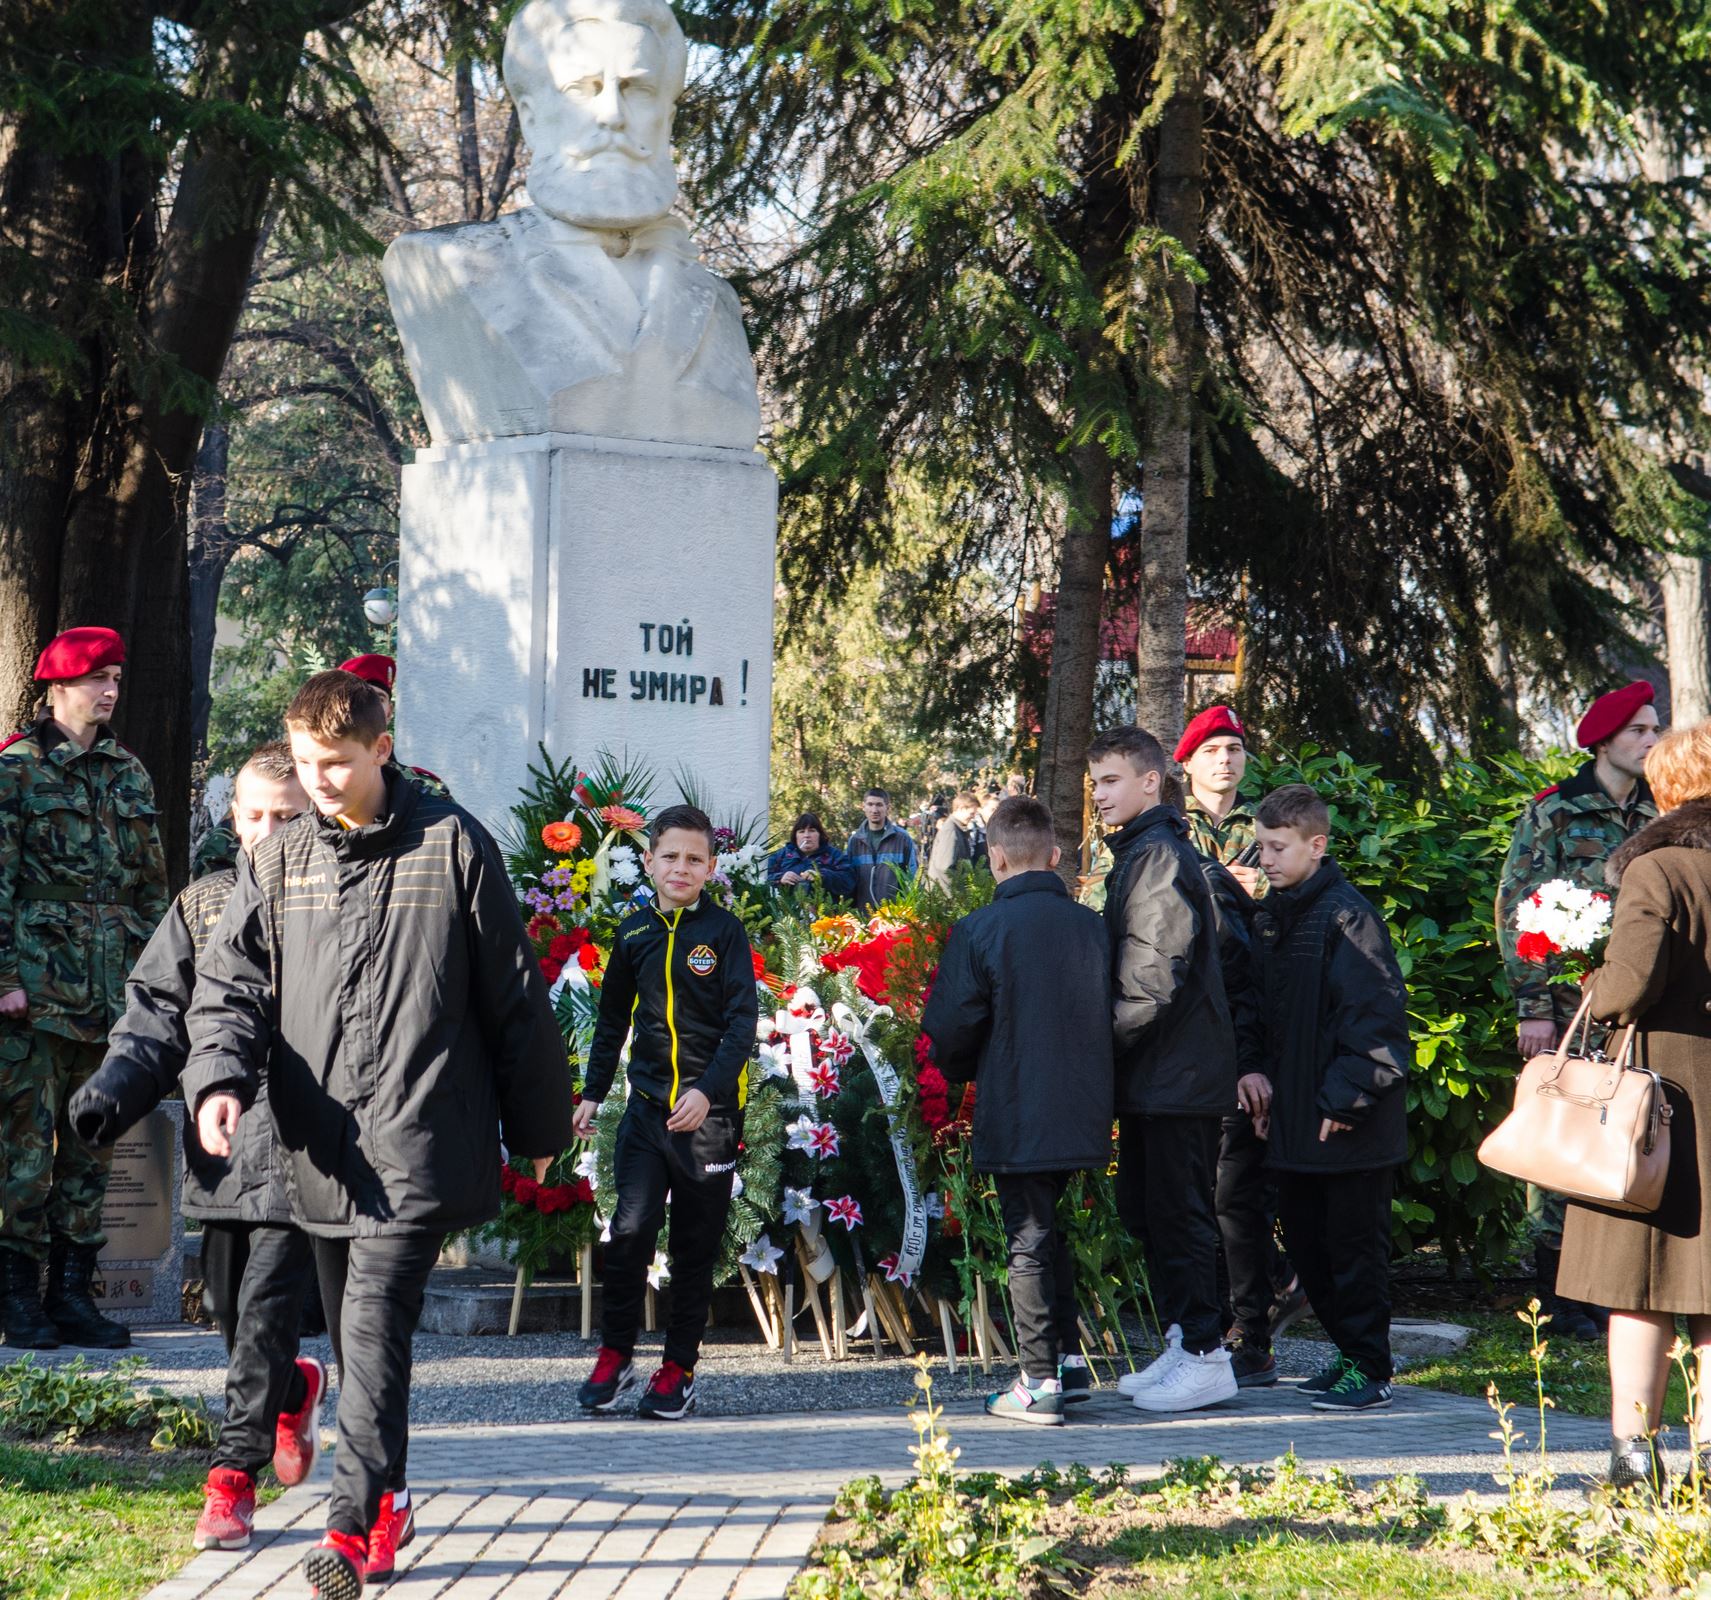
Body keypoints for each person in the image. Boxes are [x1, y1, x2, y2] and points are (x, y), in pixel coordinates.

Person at [184, 671, 571, 1598]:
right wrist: (218, 1080)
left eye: (336, 763)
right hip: (317, 1150)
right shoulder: (277, 863)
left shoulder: (451, 845)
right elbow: (230, 985)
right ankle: (389, 1498)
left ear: (380, 752)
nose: (317, 781)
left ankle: (352, 1532)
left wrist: (540, 1126)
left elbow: (513, 999)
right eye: (307, 763)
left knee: (371, 1325)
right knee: (359, 1346)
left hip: (420, 1133)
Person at [70, 743, 324, 1551]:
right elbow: (154, 1011)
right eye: (254, 815)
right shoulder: (205, 904)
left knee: (263, 1311)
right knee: (223, 1305)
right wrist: (113, 1088)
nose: (269, 829)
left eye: (287, 816)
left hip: (309, 1149)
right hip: (225, 1142)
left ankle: (231, 1479)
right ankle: (292, 1390)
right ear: (232, 820)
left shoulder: (344, 899)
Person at [0, 626, 168, 1350]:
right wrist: (4, 976)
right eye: (97, 678)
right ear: (58, 686)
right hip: (35, 995)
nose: (109, 691)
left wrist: (162, 985)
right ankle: (16, 1298)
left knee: (91, 1149)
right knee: (26, 1152)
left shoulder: (127, 771)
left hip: (111, 995)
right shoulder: (17, 769)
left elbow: (153, 887)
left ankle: (73, 1295)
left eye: (117, 680)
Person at [922, 796, 1113, 1424]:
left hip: (1018, 1101)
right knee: (1051, 1230)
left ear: (996, 857)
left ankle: (1036, 1382)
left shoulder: (980, 929)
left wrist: (961, 1075)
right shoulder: (1092, 927)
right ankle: (1066, 1360)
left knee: (1027, 1238)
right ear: (1055, 856)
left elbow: (950, 1026)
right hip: (1083, 1102)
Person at [1558, 722, 1711, 1491]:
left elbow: (1627, 987)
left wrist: (1591, 984)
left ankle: (1632, 1460)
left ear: (1673, 789)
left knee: (1638, 1289)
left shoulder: (1659, 869)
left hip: (1658, 1106)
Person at [574, 804, 760, 1420]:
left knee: (693, 1250)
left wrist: (708, 1090)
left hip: (708, 1121)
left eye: (695, 859)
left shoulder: (726, 934)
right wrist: (593, 1093)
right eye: (671, 856)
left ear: (711, 867)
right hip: (647, 1115)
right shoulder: (632, 933)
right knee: (628, 1231)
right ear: (649, 860)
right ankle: (616, 1355)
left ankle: (678, 1368)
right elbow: (610, 1022)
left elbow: (741, 1025)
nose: (681, 868)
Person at [1497, 680, 1660, 1339]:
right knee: (1564, 1141)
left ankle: (1608, 1289)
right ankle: (1557, 1295)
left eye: (1655, 731)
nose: (1651, 741)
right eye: (1639, 731)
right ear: (1604, 739)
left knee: (1628, 1137)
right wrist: (1533, 1007)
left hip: (1642, 1004)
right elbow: (1517, 910)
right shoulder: (1554, 812)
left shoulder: (1663, 810)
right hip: (1570, 1008)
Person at [1086, 726, 1239, 1413]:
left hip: (1174, 1075)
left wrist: (1096, 1047)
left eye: (1111, 780)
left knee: (1178, 1213)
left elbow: (1153, 975)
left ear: (1150, 781)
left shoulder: (1156, 856)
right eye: (1094, 783)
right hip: (1156, 1075)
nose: (1098, 795)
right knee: (1149, 1210)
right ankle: (1185, 1338)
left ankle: (1206, 1354)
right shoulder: (1140, 853)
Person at [1252, 784, 1410, 1412]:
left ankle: (1370, 1368)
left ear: (1316, 846)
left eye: (1278, 847)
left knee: (1353, 1249)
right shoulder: (1276, 916)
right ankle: (1349, 1355)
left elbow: (1376, 1022)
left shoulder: (1349, 916)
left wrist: (1345, 1103)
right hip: (1296, 1123)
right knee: (1312, 1249)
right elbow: (1270, 1020)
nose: (1265, 859)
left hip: (1348, 1126)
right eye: (1260, 846)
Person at [1155, 773, 1283, 1388]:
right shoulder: (1153, 871)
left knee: (1232, 1202)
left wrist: (1247, 1063)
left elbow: (1240, 978)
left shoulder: (1202, 879)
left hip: (1224, 1070)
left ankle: (1249, 1334)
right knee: (1199, 1202)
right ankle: (1214, 1332)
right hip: (1184, 1073)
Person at [1175, 705, 1264, 899]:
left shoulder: (1268, 825)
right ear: (1188, 763)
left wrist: (1264, 887)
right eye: (1211, 750)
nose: (1224, 759)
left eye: (1233, 749)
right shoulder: (1162, 821)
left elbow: (1308, 898)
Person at [336, 655, 452, 799]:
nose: (371, 707)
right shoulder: (316, 781)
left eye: (379, 698)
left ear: (389, 712)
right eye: (359, 698)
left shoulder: (425, 788)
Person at [846, 787, 918, 913]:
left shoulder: (902, 839)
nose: (874, 810)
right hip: (863, 916)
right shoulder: (855, 841)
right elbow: (848, 879)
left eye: (879, 805)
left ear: (887, 808)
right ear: (863, 807)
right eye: (870, 804)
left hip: (894, 917)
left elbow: (912, 877)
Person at [765, 813, 855, 901]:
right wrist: (780, 878)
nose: (806, 835)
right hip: (786, 912)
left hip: (826, 913)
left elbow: (848, 882)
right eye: (801, 831)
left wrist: (822, 876)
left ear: (820, 834)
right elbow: (761, 879)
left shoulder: (834, 855)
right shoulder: (781, 855)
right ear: (795, 836)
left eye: (812, 830)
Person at [925, 790, 987, 890]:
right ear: (961, 808)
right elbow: (945, 867)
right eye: (972, 813)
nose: (973, 817)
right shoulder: (951, 831)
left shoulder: (956, 829)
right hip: (946, 896)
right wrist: (960, 893)